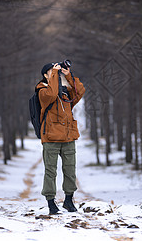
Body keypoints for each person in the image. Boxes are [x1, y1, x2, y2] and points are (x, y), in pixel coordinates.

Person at [36, 61, 85, 214]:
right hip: (51, 137)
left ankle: (69, 200)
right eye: (52, 71)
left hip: (68, 136)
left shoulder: (65, 92)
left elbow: (80, 91)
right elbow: (51, 95)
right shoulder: (42, 90)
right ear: (45, 75)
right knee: (50, 171)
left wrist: (68, 75)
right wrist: (54, 78)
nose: (56, 73)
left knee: (70, 170)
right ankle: (51, 202)